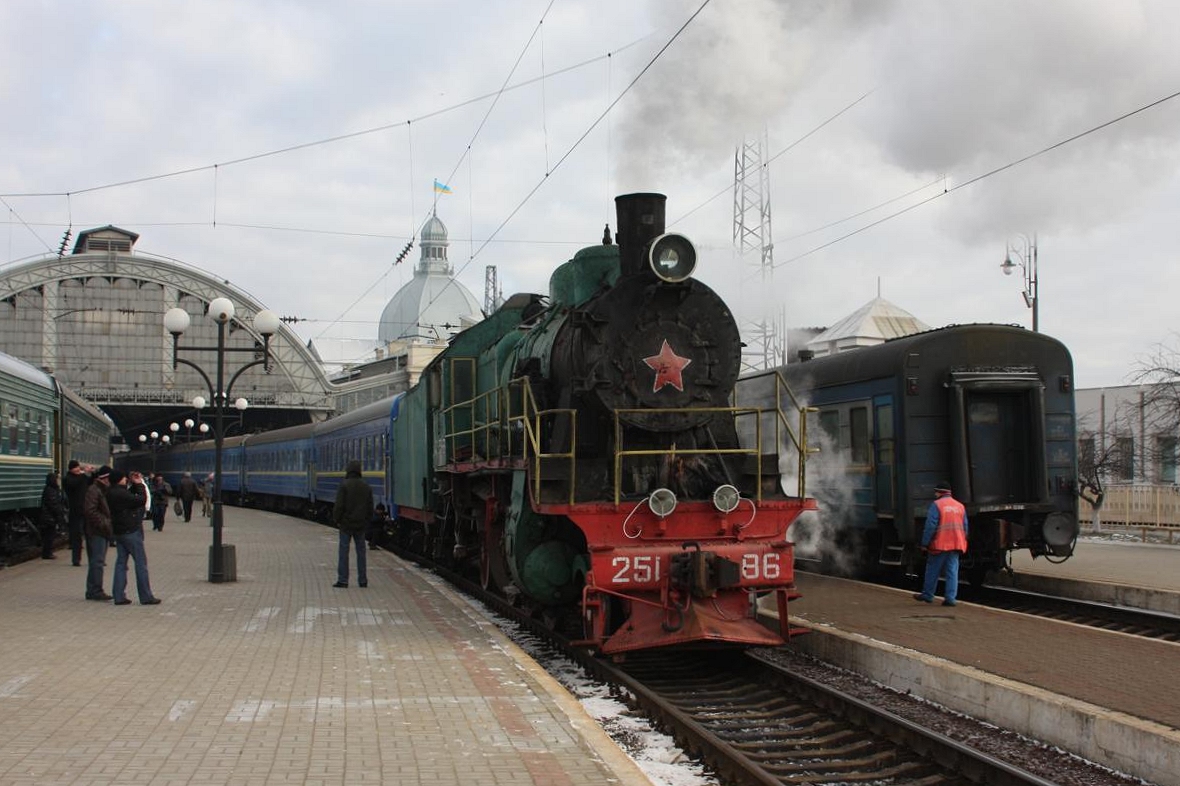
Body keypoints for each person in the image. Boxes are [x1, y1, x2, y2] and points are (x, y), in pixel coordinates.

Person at [108, 470, 161, 606]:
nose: (126, 479)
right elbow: (141, 500)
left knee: (121, 563)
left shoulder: (111, 492)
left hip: (119, 531)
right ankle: (146, 596)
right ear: (119, 479)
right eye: (124, 478)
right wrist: (140, 485)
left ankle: (118, 596)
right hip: (130, 531)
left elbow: (129, 496)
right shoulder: (121, 493)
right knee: (141, 563)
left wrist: (133, 484)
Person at [913, 481, 969, 607]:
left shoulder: (937, 505)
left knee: (933, 569)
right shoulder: (960, 506)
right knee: (952, 571)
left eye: (936, 492)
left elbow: (930, 526)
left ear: (939, 492)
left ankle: (928, 595)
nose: (935, 494)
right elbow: (965, 526)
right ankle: (950, 598)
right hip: (956, 543)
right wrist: (963, 539)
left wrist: (925, 543)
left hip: (940, 543)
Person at [333, 459, 373, 588]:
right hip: (360, 525)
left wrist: (337, 520)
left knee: (344, 552)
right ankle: (363, 580)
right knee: (361, 553)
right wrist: (367, 521)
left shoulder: (344, 485)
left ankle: (343, 580)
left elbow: (339, 506)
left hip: (346, 525)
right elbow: (370, 507)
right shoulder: (366, 486)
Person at [81, 465, 114, 601]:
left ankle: (92, 590)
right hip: (97, 531)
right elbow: (90, 511)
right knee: (97, 561)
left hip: (100, 530)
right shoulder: (94, 491)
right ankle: (95, 590)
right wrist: (105, 523)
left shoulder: (101, 490)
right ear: (105, 478)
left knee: (97, 561)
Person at [62, 460, 91, 566]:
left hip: (85, 510)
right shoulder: (68, 479)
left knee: (89, 535)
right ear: (71, 469)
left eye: (78, 467)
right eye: (76, 467)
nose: (78, 469)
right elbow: (74, 484)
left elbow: (90, 482)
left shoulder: (82, 478)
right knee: (76, 536)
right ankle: (76, 559)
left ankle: (93, 558)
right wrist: (83, 475)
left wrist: (91, 473)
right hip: (75, 511)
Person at [38, 471, 67, 559]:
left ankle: (47, 552)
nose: (58, 480)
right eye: (57, 479)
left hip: (48, 517)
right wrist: (60, 513)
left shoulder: (50, 489)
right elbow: (53, 504)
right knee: (49, 536)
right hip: (49, 517)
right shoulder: (51, 490)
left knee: (49, 536)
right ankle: (47, 553)